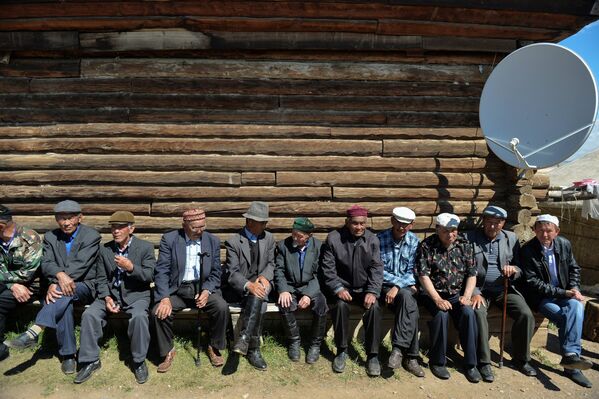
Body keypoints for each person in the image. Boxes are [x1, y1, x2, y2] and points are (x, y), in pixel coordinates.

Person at [6, 200, 100, 375]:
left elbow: (81, 265)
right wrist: (58, 277)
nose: (65, 223)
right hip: (61, 289)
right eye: (61, 218)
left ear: (80, 217)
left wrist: (56, 282)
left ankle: (35, 331)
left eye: (70, 218)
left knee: (60, 293)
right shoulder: (50, 236)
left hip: (86, 285)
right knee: (64, 302)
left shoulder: (92, 236)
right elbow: (46, 263)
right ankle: (69, 356)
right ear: (56, 219)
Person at [75, 211, 155, 384]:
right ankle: (90, 360)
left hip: (137, 296)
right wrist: (106, 298)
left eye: (120, 227)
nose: (116, 231)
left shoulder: (145, 247)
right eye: (113, 227)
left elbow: (149, 276)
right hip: (111, 295)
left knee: (140, 317)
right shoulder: (105, 249)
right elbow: (101, 278)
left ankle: (139, 361)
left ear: (131, 229)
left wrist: (131, 267)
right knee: (89, 315)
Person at [151, 207, 228, 371]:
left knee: (221, 307)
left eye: (203, 226)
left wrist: (207, 291)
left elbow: (216, 272)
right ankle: (167, 350)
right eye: (195, 227)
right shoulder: (170, 239)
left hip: (203, 288)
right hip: (178, 289)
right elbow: (162, 271)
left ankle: (213, 346)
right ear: (184, 225)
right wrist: (164, 298)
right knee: (158, 311)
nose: (200, 230)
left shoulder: (212, 240)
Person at [520, 214, 593, 388]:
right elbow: (533, 283)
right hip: (541, 298)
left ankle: (570, 356)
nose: (544, 235)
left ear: (557, 231)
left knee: (576, 306)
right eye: (540, 230)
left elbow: (574, 268)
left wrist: (574, 288)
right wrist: (564, 292)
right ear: (534, 230)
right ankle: (572, 365)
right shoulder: (528, 250)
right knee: (568, 317)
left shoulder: (564, 244)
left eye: (548, 231)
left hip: (565, 295)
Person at [467, 205, 536, 382]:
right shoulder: (470, 238)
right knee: (479, 313)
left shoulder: (511, 238)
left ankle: (522, 359)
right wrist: (473, 291)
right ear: (483, 221)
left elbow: (520, 266)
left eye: (496, 223)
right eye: (489, 222)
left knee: (525, 314)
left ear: (503, 223)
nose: (492, 227)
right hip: (479, 290)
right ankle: (484, 363)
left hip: (503, 288)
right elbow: (464, 268)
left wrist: (514, 269)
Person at [320, 205, 383, 376]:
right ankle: (341, 350)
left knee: (375, 308)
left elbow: (376, 268)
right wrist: (337, 288)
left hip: (364, 288)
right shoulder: (334, 239)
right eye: (355, 223)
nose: (359, 227)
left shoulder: (372, 240)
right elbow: (328, 269)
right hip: (343, 287)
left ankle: (373, 355)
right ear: (347, 222)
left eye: (363, 223)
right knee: (339, 307)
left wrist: (372, 291)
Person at [417, 213, 480, 383]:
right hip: (432, 294)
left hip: (457, 294)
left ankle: (471, 364)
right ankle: (437, 361)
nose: (451, 234)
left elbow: (472, 274)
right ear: (437, 229)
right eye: (446, 231)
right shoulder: (427, 246)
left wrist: (467, 296)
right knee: (441, 314)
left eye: (453, 230)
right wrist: (437, 299)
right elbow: (423, 276)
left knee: (468, 313)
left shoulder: (464, 244)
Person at [225, 201, 276, 371]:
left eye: (265, 222)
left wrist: (264, 277)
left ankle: (244, 339)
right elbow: (232, 273)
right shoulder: (233, 242)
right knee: (259, 306)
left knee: (258, 297)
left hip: (263, 283)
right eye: (262, 222)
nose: (265, 225)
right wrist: (249, 285)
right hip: (242, 289)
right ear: (249, 222)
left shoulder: (268, 238)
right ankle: (253, 349)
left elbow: (271, 263)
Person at [377, 207, 424, 377]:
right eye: (398, 223)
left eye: (406, 224)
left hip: (402, 288)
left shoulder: (414, 242)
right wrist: (398, 285)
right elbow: (379, 269)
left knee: (407, 299)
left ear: (411, 225)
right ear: (392, 221)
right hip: (385, 286)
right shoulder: (380, 239)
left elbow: (414, 270)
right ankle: (410, 357)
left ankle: (398, 350)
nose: (401, 227)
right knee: (411, 306)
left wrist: (397, 287)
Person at [274, 217, 327, 364]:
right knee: (284, 303)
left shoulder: (318, 247)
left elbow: (320, 275)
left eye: (300, 236)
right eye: (293, 234)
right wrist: (283, 290)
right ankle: (294, 341)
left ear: (309, 235)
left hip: (310, 285)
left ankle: (315, 344)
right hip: (290, 286)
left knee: (321, 303)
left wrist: (308, 295)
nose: (295, 238)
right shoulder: (283, 246)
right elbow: (279, 271)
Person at [0, 205, 43, 362]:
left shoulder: (29, 238)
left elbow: (27, 274)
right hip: (13, 285)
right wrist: (13, 285)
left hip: (35, 287)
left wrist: (12, 283)